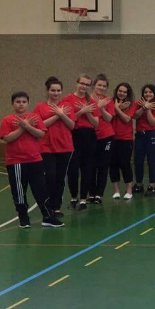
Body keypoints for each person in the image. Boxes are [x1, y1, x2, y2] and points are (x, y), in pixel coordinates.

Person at [0, 92, 63, 228]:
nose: (21, 104)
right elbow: (8, 138)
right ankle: (23, 218)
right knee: (19, 191)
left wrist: (27, 125)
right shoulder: (7, 120)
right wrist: (23, 127)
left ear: (28, 103)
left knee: (41, 190)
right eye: (18, 102)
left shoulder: (35, 118)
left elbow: (40, 134)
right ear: (12, 104)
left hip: (35, 160)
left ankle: (48, 217)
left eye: (24, 102)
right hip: (16, 162)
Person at [34, 76, 74, 216]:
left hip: (65, 147)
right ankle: (48, 206)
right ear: (47, 91)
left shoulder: (67, 106)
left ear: (61, 91)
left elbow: (71, 125)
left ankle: (57, 207)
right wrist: (57, 115)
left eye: (58, 90)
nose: (56, 93)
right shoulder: (40, 107)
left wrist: (62, 114)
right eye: (53, 90)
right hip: (46, 147)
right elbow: (40, 125)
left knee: (60, 177)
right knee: (49, 177)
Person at [63, 74, 99, 211]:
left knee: (87, 168)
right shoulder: (68, 99)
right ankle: (74, 197)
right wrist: (81, 111)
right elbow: (66, 119)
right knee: (73, 169)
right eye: (82, 83)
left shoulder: (91, 101)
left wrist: (87, 112)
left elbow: (96, 123)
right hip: (74, 135)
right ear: (77, 83)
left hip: (89, 136)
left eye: (87, 84)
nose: (84, 86)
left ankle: (83, 199)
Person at [133, 84, 155, 196]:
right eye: (146, 92)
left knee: (152, 160)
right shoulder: (138, 104)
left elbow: (153, 122)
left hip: (153, 134)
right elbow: (135, 116)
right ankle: (139, 184)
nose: (148, 94)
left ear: (154, 94)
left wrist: (148, 109)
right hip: (140, 135)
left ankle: (151, 186)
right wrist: (143, 107)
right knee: (138, 161)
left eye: (150, 92)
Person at [90, 74, 115, 205]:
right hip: (91, 136)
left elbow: (109, 118)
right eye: (99, 85)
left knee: (103, 166)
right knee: (91, 166)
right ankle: (91, 193)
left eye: (104, 86)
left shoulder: (108, 100)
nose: (102, 88)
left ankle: (99, 194)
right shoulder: (87, 99)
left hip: (106, 136)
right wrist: (96, 105)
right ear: (94, 85)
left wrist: (101, 108)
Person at [110, 82, 136, 199]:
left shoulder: (132, 104)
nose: (122, 93)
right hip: (112, 137)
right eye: (120, 91)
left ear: (128, 93)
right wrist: (117, 108)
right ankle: (116, 191)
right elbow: (108, 117)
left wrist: (117, 109)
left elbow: (126, 119)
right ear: (116, 91)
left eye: (125, 92)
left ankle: (129, 190)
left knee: (125, 164)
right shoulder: (111, 102)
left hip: (126, 138)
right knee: (113, 164)